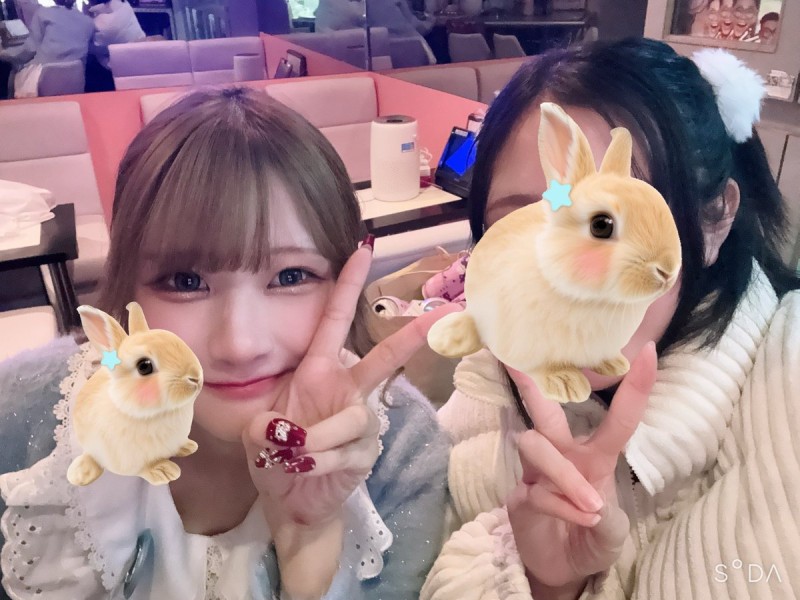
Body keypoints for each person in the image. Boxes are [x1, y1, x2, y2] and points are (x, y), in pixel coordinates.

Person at [0, 88, 454, 599]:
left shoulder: (403, 451)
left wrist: (308, 552)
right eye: (186, 281)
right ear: (127, 287)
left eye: (290, 277)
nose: (240, 345)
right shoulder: (28, 417)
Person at [421, 38, 800, 599]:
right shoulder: (481, 389)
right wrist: (548, 583)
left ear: (715, 220)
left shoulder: (786, 387)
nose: (570, 283)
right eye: (526, 220)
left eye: (608, 225)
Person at [12, 0, 94, 96]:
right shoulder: (88, 21)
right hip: (75, 81)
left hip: (41, 80)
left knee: (13, 71)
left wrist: (6, 54)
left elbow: (29, 49)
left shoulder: (43, 14)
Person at [88, 0, 145, 68]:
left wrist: (85, 17)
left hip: (120, 66)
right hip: (142, 54)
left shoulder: (102, 25)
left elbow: (90, 48)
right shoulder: (123, 4)